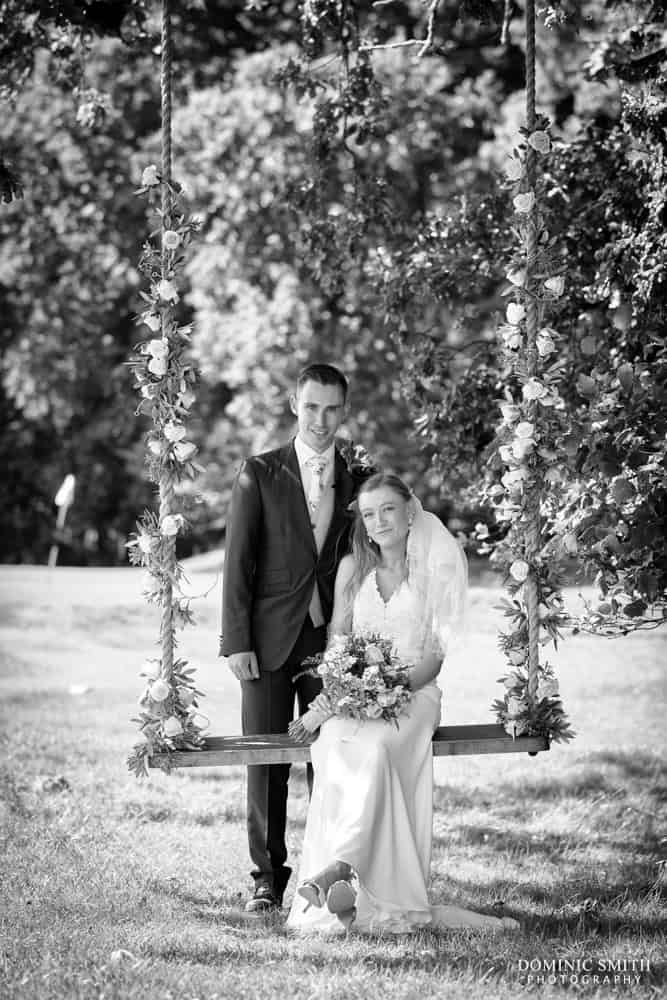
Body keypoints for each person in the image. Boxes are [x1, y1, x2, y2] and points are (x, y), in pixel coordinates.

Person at [286, 472, 520, 934]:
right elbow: (339, 639)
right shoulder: (354, 567)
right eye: (369, 514)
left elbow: (433, 661)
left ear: (410, 512)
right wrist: (341, 695)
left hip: (415, 696)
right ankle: (344, 881)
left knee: (374, 750)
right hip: (354, 699)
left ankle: (340, 867)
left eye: (388, 510)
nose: (379, 521)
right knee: (333, 741)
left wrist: (383, 692)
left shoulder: (434, 571)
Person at [220, 363, 371, 914]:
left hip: (331, 637)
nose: (322, 419)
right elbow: (239, 562)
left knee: (333, 757)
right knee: (265, 759)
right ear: (294, 404)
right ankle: (266, 877)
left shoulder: (358, 476)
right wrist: (236, 641)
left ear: (344, 411)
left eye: (332, 409)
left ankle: (330, 870)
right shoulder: (258, 473)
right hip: (264, 640)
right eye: (312, 407)